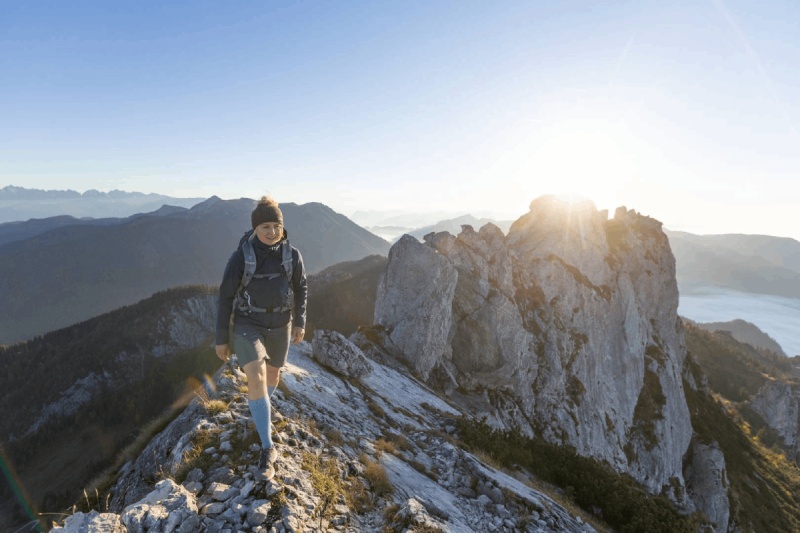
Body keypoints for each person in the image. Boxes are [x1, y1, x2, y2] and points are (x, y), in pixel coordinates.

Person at [215, 195, 307, 480]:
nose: (272, 231)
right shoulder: (241, 257)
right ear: (255, 228)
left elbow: (301, 287)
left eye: (276, 225)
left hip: (281, 323)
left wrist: (300, 322)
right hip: (248, 323)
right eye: (265, 226)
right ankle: (267, 448)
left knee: (273, 374)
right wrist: (221, 337)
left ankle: (259, 411)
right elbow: (225, 296)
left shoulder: (292, 255)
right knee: (255, 375)